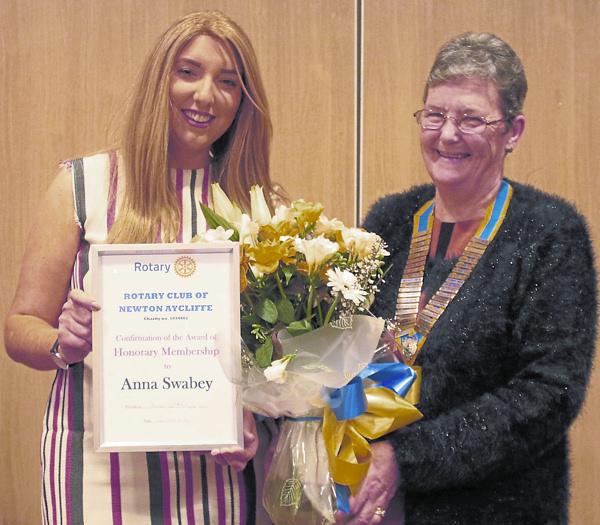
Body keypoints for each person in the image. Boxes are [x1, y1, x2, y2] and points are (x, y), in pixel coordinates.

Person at [4, 10, 283, 524]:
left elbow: (278, 358)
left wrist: (255, 417)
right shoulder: (83, 184)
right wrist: (61, 343)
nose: (206, 96)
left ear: (243, 100)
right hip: (95, 469)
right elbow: (19, 327)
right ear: (161, 78)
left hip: (213, 476)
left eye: (228, 82)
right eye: (188, 72)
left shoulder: (258, 209)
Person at [342, 32, 597, 524]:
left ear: (513, 131)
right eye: (435, 115)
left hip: (498, 511)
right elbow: (344, 353)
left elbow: (547, 396)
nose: (447, 135)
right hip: (380, 507)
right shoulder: (388, 221)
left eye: (471, 119)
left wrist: (405, 458)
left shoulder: (550, 234)